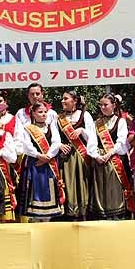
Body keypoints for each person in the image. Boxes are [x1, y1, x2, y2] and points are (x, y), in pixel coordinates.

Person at [17, 102, 64, 222]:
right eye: (40, 112)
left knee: (48, 186)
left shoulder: (51, 126)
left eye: (45, 112)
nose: (43, 114)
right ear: (33, 113)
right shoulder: (27, 128)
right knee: (34, 186)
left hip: (48, 162)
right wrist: (39, 155)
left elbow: (56, 142)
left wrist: (47, 156)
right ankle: (34, 216)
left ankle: (48, 216)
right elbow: (26, 145)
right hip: (34, 162)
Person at [90, 94, 132, 220]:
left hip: (115, 158)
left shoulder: (121, 121)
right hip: (100, 160)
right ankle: (103, 214)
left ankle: (117, 215)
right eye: (101, 105)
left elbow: (121, 141)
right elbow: (91, 142)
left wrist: (109, 153)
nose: (103, 107)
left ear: (113, 105)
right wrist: (96, 155)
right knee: (101, 186)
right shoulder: (96, 123)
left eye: (105, 104)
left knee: (115, 187)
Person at [56, 90, 97, 220]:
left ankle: (83, 213)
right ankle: (68, 214)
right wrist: (60, 145)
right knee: (67, 183)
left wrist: (82, 130)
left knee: (82, 182)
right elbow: (54, 136)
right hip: (65, 156)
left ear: (74, 101)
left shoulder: (85, 115)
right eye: (62, 99)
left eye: (66, 98)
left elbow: (93, 136)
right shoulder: (59, 118)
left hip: (81, 156)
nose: (63, 101)